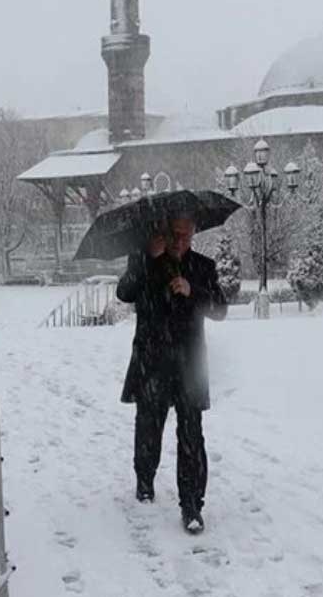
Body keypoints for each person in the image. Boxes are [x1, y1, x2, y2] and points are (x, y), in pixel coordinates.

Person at [116, 214, 228, 534]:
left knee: (192, 433)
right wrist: (145, 261)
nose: (180, 241)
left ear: (194, 234)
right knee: (149, 427)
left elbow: (220, 309)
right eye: (174, 234)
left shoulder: (203, 267)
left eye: (186, 235)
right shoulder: (144, 260)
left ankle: (192, 504)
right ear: (164, 232)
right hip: (152, 362)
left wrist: (193, 290)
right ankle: (145, 479)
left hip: (190, 364)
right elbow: (124, 293)